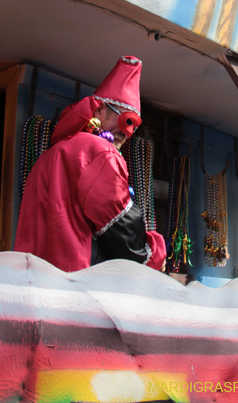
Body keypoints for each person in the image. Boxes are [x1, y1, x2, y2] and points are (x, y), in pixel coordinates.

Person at [14, 56, 166, 272]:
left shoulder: (49, 155)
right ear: (98, 110)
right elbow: (119, 228)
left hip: (34, 279)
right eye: (125, 120)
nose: (126, 133)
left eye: (134, 128)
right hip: (75, 282)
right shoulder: (99, 152)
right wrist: (154, 253)